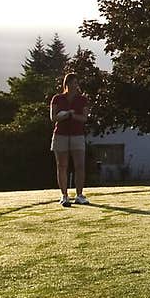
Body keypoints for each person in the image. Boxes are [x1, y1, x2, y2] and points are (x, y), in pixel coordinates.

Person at [49, 72, 91, 207]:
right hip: (61, 135)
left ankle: (79, 195)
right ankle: (64, 195)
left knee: (79, 166)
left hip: (77, 135)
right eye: (73, 83)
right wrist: (65, 115)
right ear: (67, 84)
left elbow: (84, 118)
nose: (76, 86)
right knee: (62, 166)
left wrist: (72, 116)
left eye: (76, 83)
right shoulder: (57, 98)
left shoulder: (82, 99)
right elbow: (53, 117)